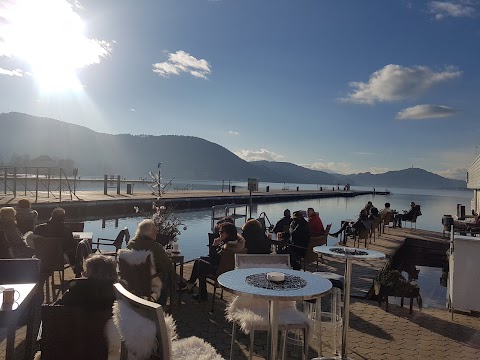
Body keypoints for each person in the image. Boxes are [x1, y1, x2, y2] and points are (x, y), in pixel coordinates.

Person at [180, 222, 245, 301]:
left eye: (221, 232)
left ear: (228, 234)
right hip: (229, 270)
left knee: (200, 266)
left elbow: (213, 261)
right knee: (198, 261)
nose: (219, 234)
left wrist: (214, 246)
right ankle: (192, 285)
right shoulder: (237, 244)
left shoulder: (227, 248)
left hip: (221, 271)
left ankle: (200, 293)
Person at [126, 219, 173, 305]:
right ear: (150, 233)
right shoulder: (155, 247)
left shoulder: (131, 244)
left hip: (133, 282)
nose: (156, 233)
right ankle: (162, 304)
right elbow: (167, 266)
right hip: (150, 284)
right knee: (168, 273)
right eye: (155, 231)